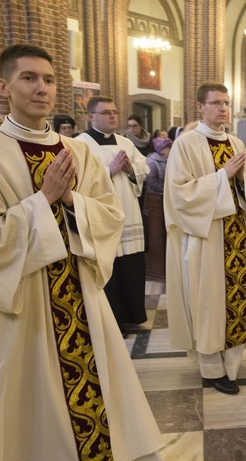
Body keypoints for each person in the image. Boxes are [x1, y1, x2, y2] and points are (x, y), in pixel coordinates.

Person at [0, 43, 182, 461]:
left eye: (49, 79)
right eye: (29, 78)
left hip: (81, 300)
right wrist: (43, 200)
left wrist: (71, 201)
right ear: (3, 87)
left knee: (102, 403)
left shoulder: (78, 150)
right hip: (25, 306)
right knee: (39, 412)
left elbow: (110, 215)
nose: (41, 88)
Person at [164, 81, 246, 395]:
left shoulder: (236, 143)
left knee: (239, 299)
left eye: (226, 103)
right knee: (208, 302)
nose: (223, 108)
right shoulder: (186, 144)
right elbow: (180, 194)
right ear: (200, 107)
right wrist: (222, 176)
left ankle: (231, 364)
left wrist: (239, 180)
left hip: (238, 234)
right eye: (216, 103)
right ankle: (211, 369)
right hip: (206, 237)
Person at [77, 96, 149, 332]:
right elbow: (78, 181)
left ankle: (132, 316)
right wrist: (110, 170)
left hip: (128, 213)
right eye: (106, 112)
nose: (112, 116)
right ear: (91, 117)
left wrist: (130, 169)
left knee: (130, 265)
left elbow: (143, 167)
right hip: (101, 217)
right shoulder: (80, 144)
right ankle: (112, 320)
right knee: (109, 266)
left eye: (115, 111)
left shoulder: (125, 142)